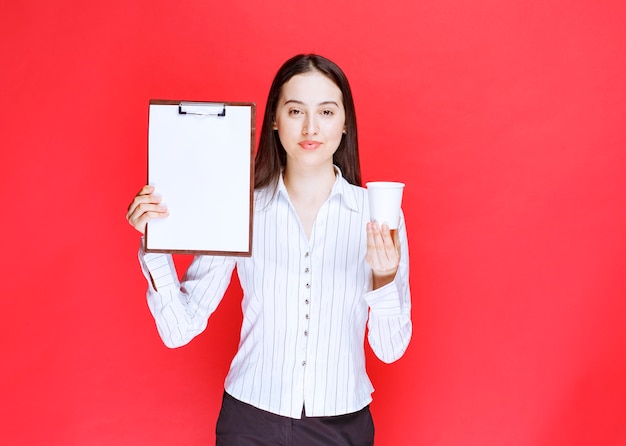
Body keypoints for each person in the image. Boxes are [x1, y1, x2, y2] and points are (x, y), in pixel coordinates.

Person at [126, 54, 412, 446]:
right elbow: (180, 329)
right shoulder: (240, 210)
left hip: (342, 427)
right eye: (295, 110)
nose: (311, 127)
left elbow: (390, 349)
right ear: (275, 119)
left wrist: (383, 277)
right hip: (250, 423)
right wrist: (154, 246)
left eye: (326, 111)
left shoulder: (377, 216)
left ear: (346, 123)